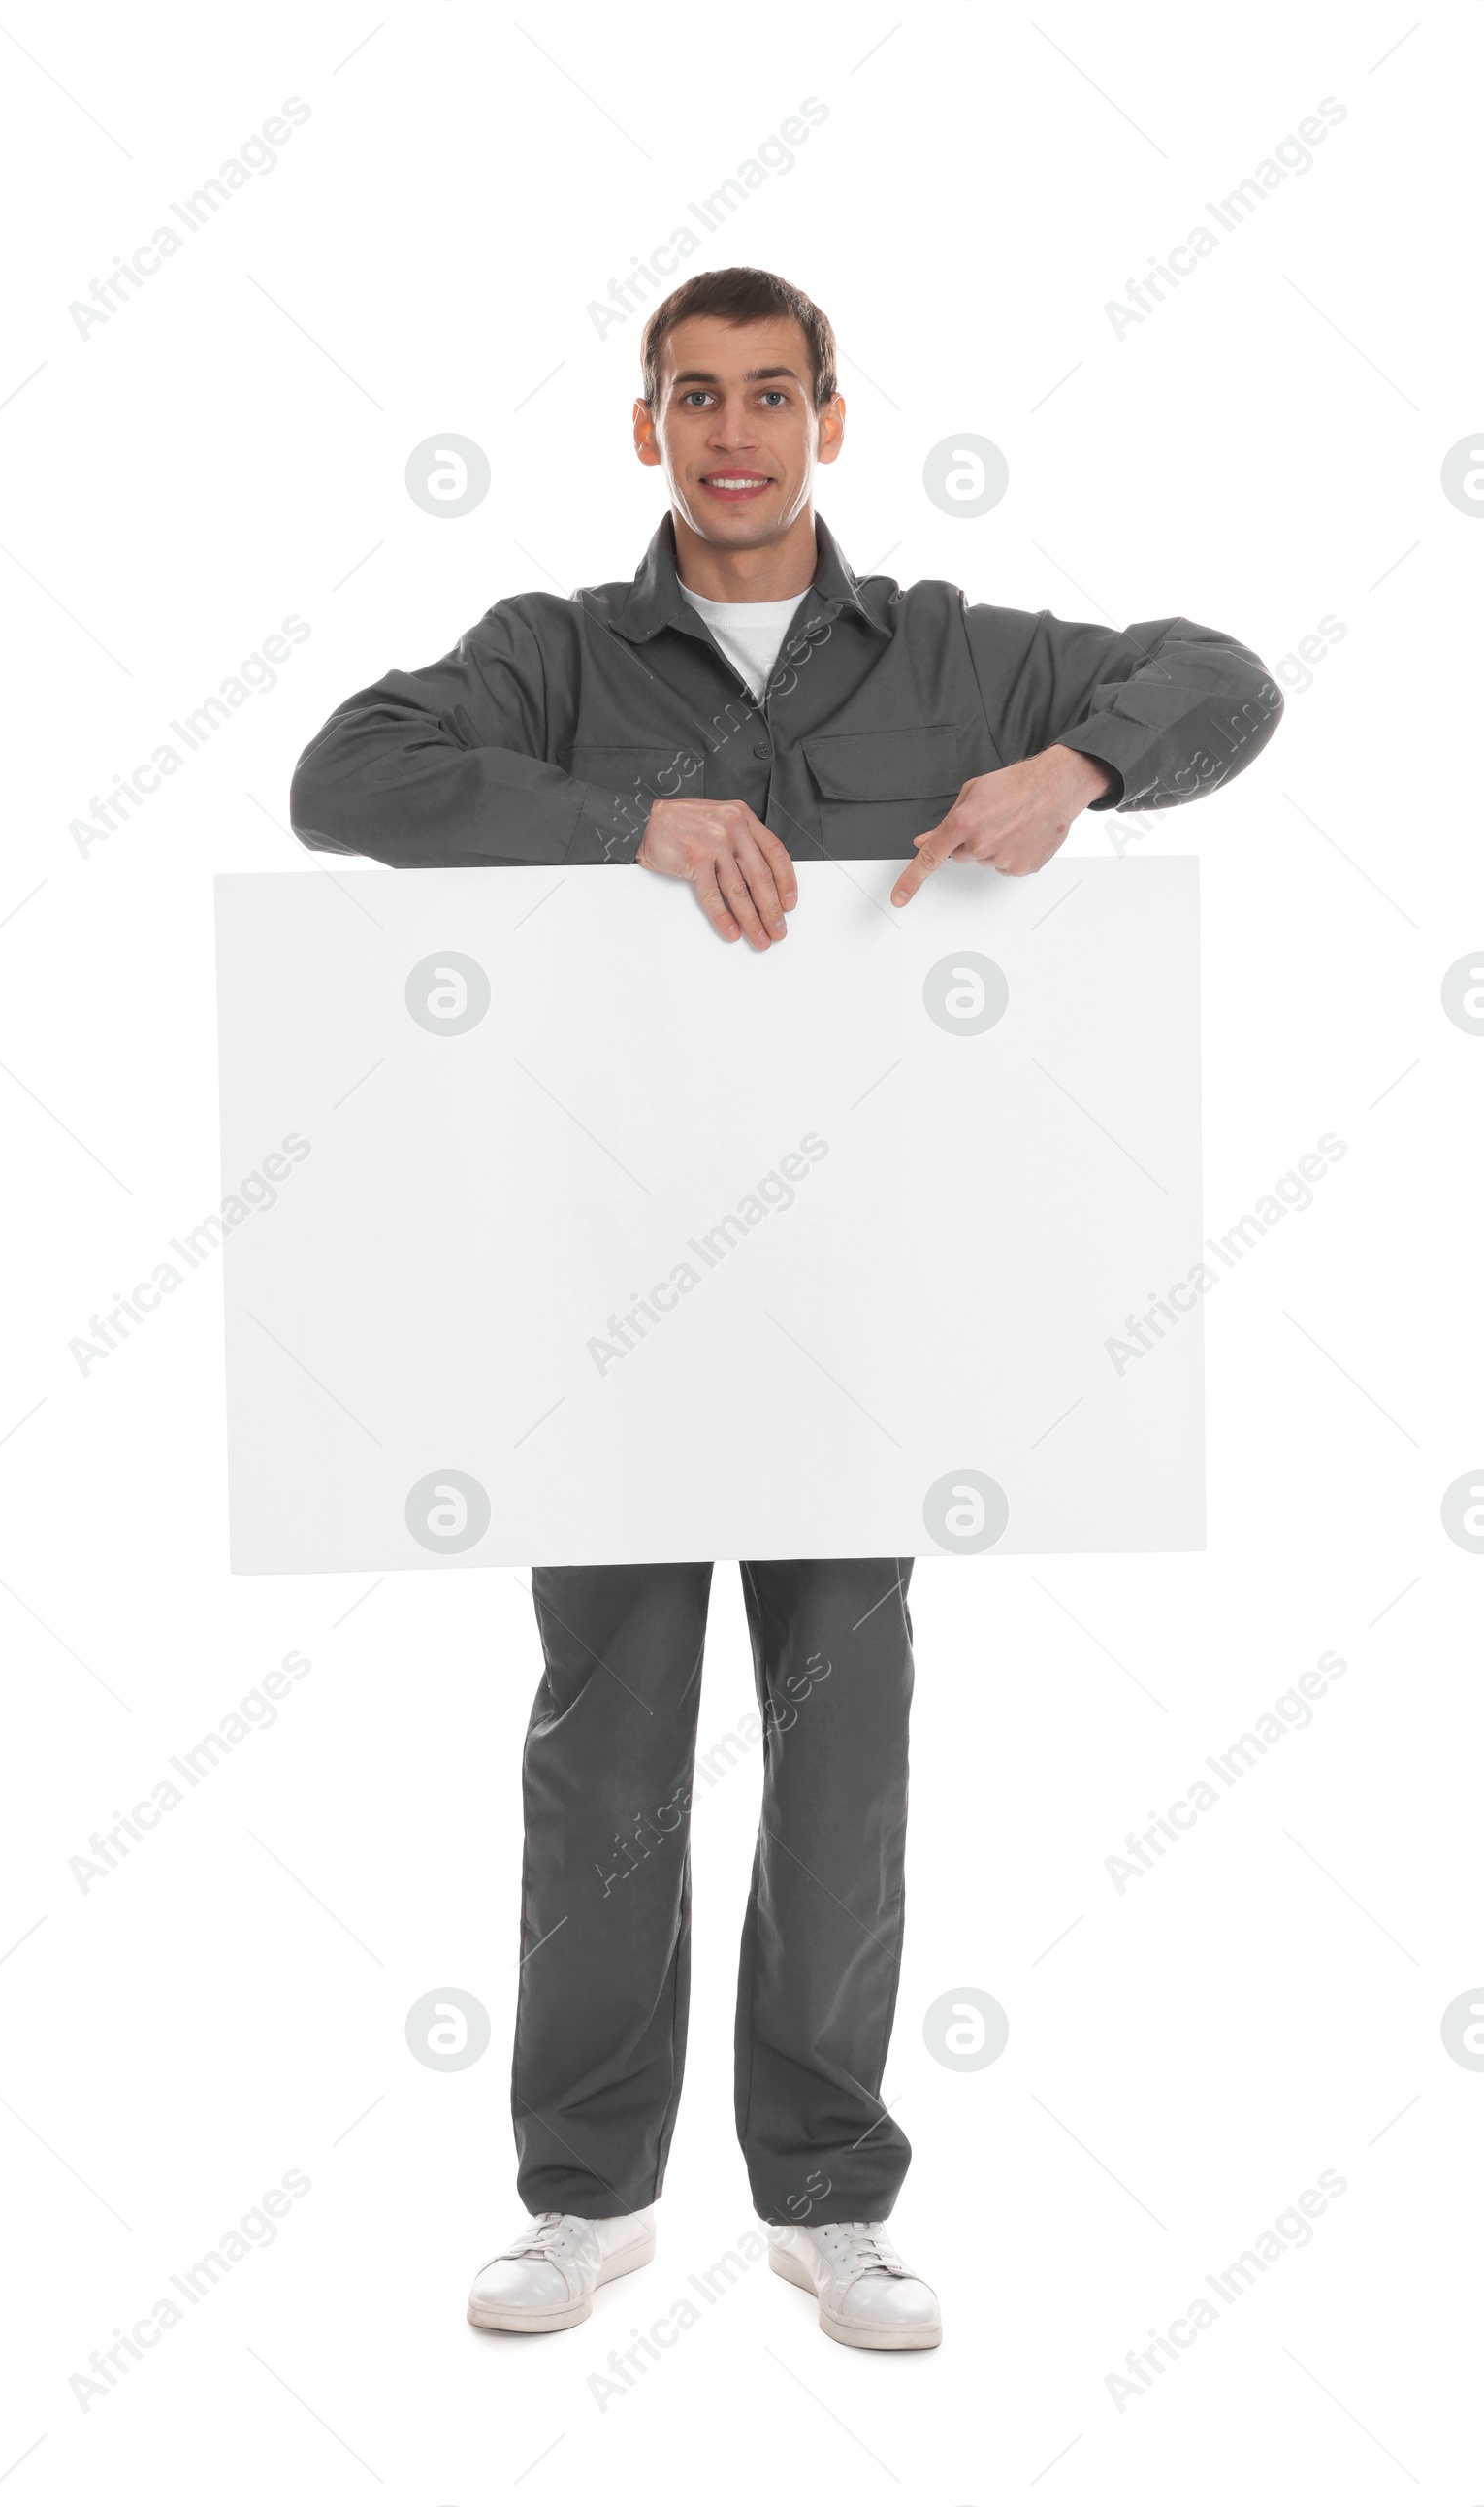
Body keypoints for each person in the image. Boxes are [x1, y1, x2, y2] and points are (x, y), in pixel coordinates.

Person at [290, 265, 1282, 2350]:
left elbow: (1222, 679)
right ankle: (582, 2196)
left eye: (766, 395)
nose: (729, 434)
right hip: (607, 1314)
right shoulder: (553, 659)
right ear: (642, 428)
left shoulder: (954, 652)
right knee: (604, 1752)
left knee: (841, 1757)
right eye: (689, 399)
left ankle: (829, 2194)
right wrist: (611, 820)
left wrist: (1079, 768)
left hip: (871, 1318)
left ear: (829, 413)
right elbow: (344, 779)